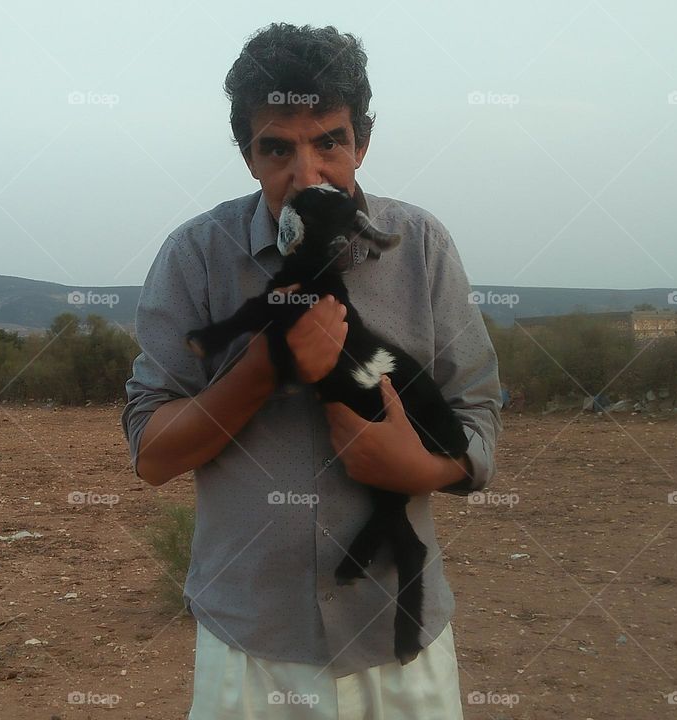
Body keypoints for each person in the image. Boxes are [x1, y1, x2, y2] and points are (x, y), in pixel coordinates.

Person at [121, 23, 502, 720]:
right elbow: (151, 453)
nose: (306, 174)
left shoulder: (420, 246)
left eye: (329, 140)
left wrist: (421, 469)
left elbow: (476, 414)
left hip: (398, 641)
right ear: (247, 154)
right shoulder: (196, 256)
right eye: (277, 147)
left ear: (362, 140)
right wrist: (263, 369)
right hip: (252, 648)